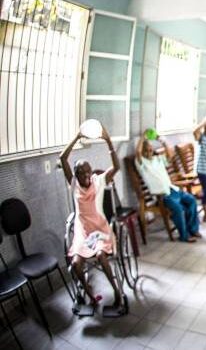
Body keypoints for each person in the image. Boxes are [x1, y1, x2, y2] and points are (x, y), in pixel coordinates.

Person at [59, 126, 125, 315]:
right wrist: (77, 136)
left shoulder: (98, 180)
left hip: (99, 229)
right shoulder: (73, 185)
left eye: (88, 172)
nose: (86, 176)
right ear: (76, 174)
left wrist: (108, 140)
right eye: (81, 173)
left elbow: (117, 167)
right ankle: (90, 296)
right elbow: (63, 158)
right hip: (83, 231)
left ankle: (117, 292)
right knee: (75, 265)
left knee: (100, 256)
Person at [135, 133, 201, 243]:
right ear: (143, 152)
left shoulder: (158, 159)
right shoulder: (142, 164)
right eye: (146, 150)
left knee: (192, 201)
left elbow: (170, 153)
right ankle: (184, 236)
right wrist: (143, 137)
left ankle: (193, 230)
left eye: (150, 149)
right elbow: (137, 152)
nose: (149, 152)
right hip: (163, 195)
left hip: (173, 189)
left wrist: (160, 139)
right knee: (179, 209)